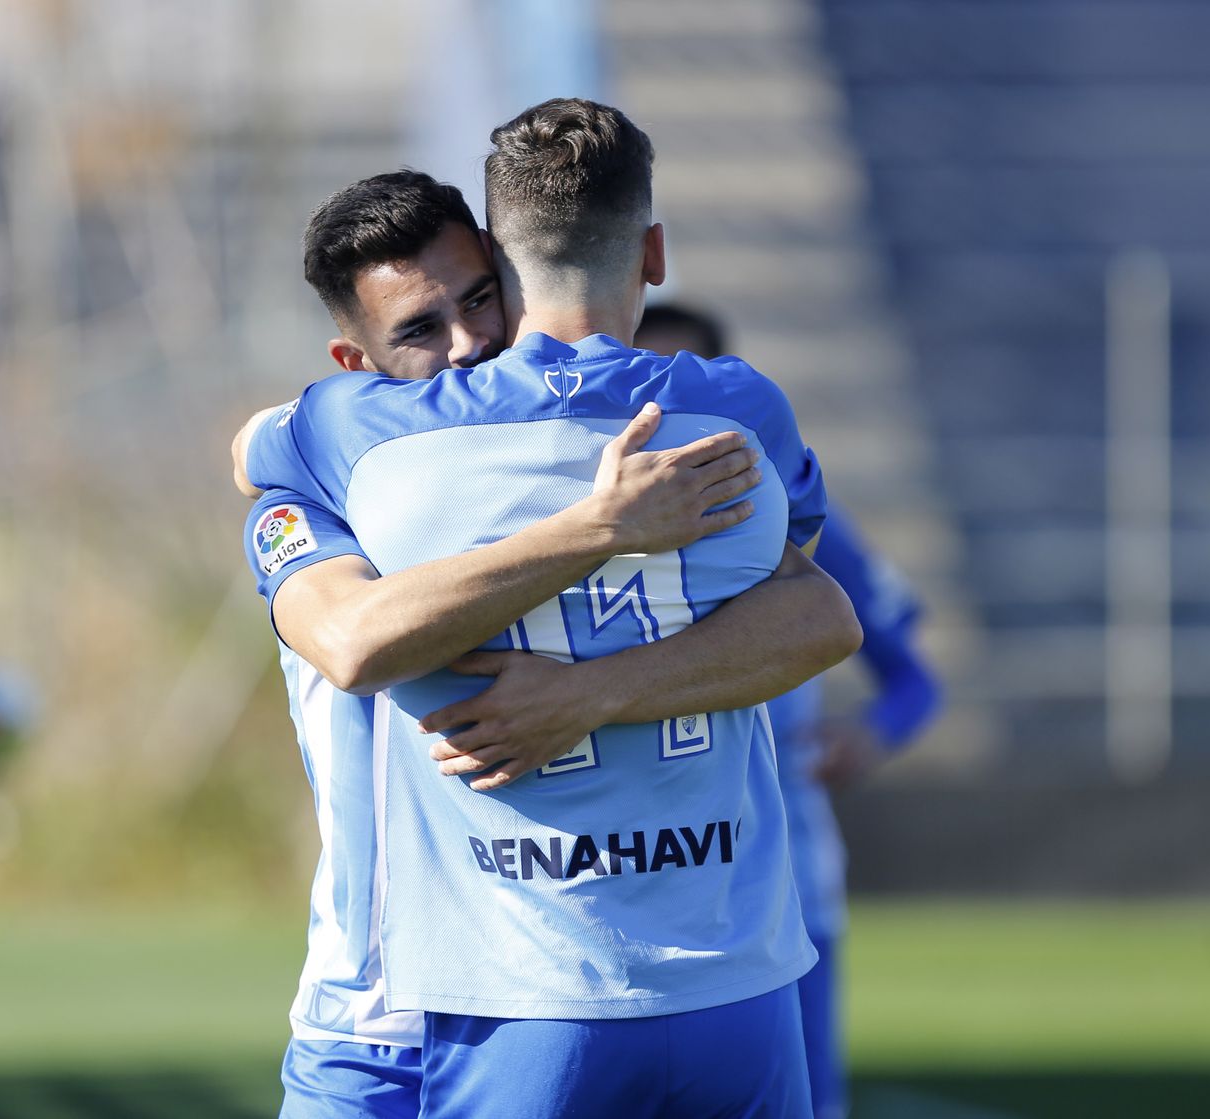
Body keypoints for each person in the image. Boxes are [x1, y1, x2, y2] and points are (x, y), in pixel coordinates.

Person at [246, 99, 861, 1117]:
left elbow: (824, 616)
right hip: (412, 1002)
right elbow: (351, 640)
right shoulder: (736, 418)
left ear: (506, 264)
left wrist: (587, 693)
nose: (464, 343)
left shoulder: (352, 442)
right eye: (420, 329)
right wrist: (599, 526)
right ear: (652, 253)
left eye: (477, 301)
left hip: (507, 992)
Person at [637, 303, 944, 1119]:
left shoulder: (795, 519)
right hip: (634, 891)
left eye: (679, 383)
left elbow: (914, 680)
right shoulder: (573, 525)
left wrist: (871, 734)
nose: (660, 410)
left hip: (782, 886)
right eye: (642, 382)